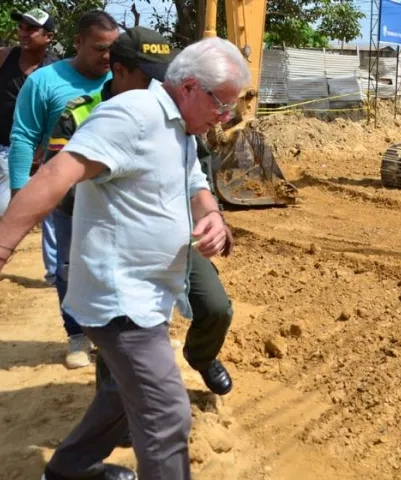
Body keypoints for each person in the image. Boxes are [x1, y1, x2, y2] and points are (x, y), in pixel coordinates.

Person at [0, 36, 249, 480]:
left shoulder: (182, 130)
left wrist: (212, 217)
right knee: (169, 415)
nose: (224, 116)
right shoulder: (133, 114)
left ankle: (68, 471)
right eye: (220, 103)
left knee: (120, 393)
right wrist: (3, 244)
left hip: (151, 294)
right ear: (189, 87)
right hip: (119, 299)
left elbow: (195, 185)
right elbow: (58, 172)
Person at [46, 25, 235, 401]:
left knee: (215, 307)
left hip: (172, 235)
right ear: (118, 71)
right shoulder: (84, 114)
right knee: (120, 328)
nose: (158, 85)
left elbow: (196, 175)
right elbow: (60, 187)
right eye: (149, 75)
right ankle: (114, 412)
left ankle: (200, 354)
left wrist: (211, 214)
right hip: (113, 244)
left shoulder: (174, 116)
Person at [8, 10, 119, 369]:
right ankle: (77, 335)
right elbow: (24, 137)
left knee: (117, 264)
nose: (107, 57)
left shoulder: (126, 77)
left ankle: (117, 334)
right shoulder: (44, 82)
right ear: (78, 42)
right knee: (67, 267)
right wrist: (21, 192)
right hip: (66, 195)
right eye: (100, 49)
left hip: (117, 194)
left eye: (112, 50)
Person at [0, 7, 59, 215]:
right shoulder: (5, 57)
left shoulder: (55, 71)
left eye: (31, 29)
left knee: (7, 211)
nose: (23, 33)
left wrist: (43, 148)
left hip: (21, 153)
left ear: (48, 37)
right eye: (21, 27)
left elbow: (57, 114)